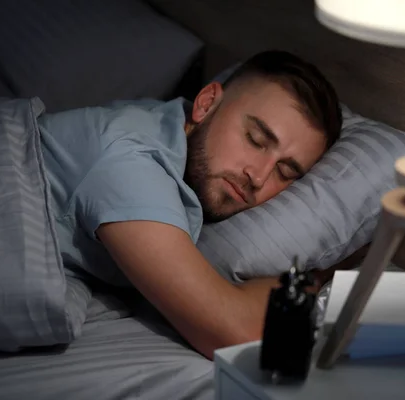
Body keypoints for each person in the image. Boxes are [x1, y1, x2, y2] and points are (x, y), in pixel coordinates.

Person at [39, 50, 342, 359]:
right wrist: (318, 276)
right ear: (206, 103)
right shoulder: (130, 163)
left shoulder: (167, 125)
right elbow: (235, 332)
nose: (259, 177)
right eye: (255, 139)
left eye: (285, 171)